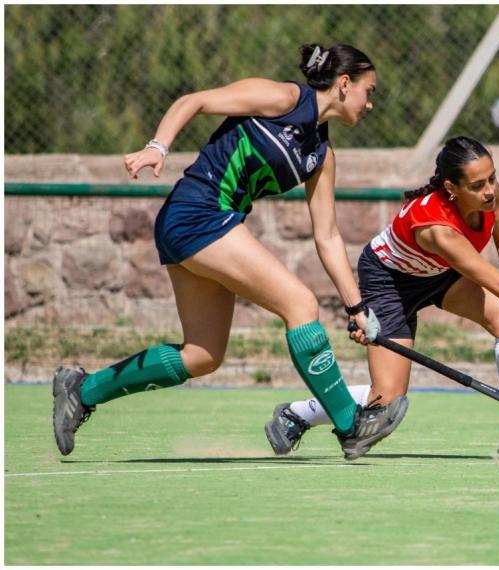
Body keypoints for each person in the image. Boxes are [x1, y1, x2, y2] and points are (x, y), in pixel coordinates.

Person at [51, 43, 407, 461]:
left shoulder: (321, 156)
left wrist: (356, 307)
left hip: (209, 223)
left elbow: (327, 236)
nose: (371, 103)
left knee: (202, 356)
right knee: (300, 304)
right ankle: (350, 425)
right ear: (344, 84)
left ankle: (82, 389)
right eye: (370, 90)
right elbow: (195, 100)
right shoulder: (284, 98)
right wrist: (158, 147)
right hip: (196, 213)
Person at [264, 136, 499, 461]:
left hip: (441, 274)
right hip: (390, 282)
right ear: (451, 188)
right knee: (387, 402)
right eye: (478, 185)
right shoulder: (437, 229)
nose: (490, 190)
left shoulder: (490, 195)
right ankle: (299, 412)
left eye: (492, 178)